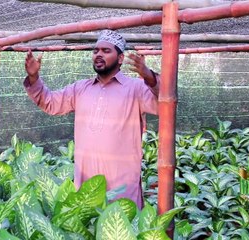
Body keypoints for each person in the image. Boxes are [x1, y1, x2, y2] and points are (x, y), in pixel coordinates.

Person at [23, 30, 159, 208]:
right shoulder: (80, 88)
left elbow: (164, 102)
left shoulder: (136, 88)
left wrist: (149, 76)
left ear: (120, 58)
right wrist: (34, 77)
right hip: (87, 182)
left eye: (106, 51)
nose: (99, 55)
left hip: (122, 183)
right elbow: (50, 103)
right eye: (96, 51)